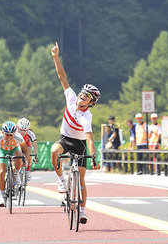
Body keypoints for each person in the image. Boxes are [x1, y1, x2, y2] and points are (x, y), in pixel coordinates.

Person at [51, 42, 100, 224]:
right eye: (82, 93)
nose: (82, 96)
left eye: (87, 96)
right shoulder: (71, 98)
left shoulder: (87, 116)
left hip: (80, 143)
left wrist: (93, 156)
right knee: (54, 151)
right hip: (65, 138)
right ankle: (61, 180)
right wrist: (56, 57)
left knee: (81, 178)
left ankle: (82, 210)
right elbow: (62, 77)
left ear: (91, 102)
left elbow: (89, 138)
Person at [0, 121, 28, 207]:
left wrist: (25, 159)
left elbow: (25, 150)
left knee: (19, 155)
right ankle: (2, 195)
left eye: (11, 135)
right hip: (2, 151)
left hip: (14, 150)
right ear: (3, 133)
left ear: (15, 133)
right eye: (7, 135)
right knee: (2, 171)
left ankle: (16, 173)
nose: (9, 137)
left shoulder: (19, 137)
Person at [17, 117, 39, 183]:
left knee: (29, 150)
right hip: (17, 145)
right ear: (18, 128)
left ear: (28, 129)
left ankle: (27, 170)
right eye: (21, 130)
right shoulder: (15, 131)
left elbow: (35, 145)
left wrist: (36, 156)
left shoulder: (30, 133)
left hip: (26, 145)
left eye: (25, 130)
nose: (22, 132)